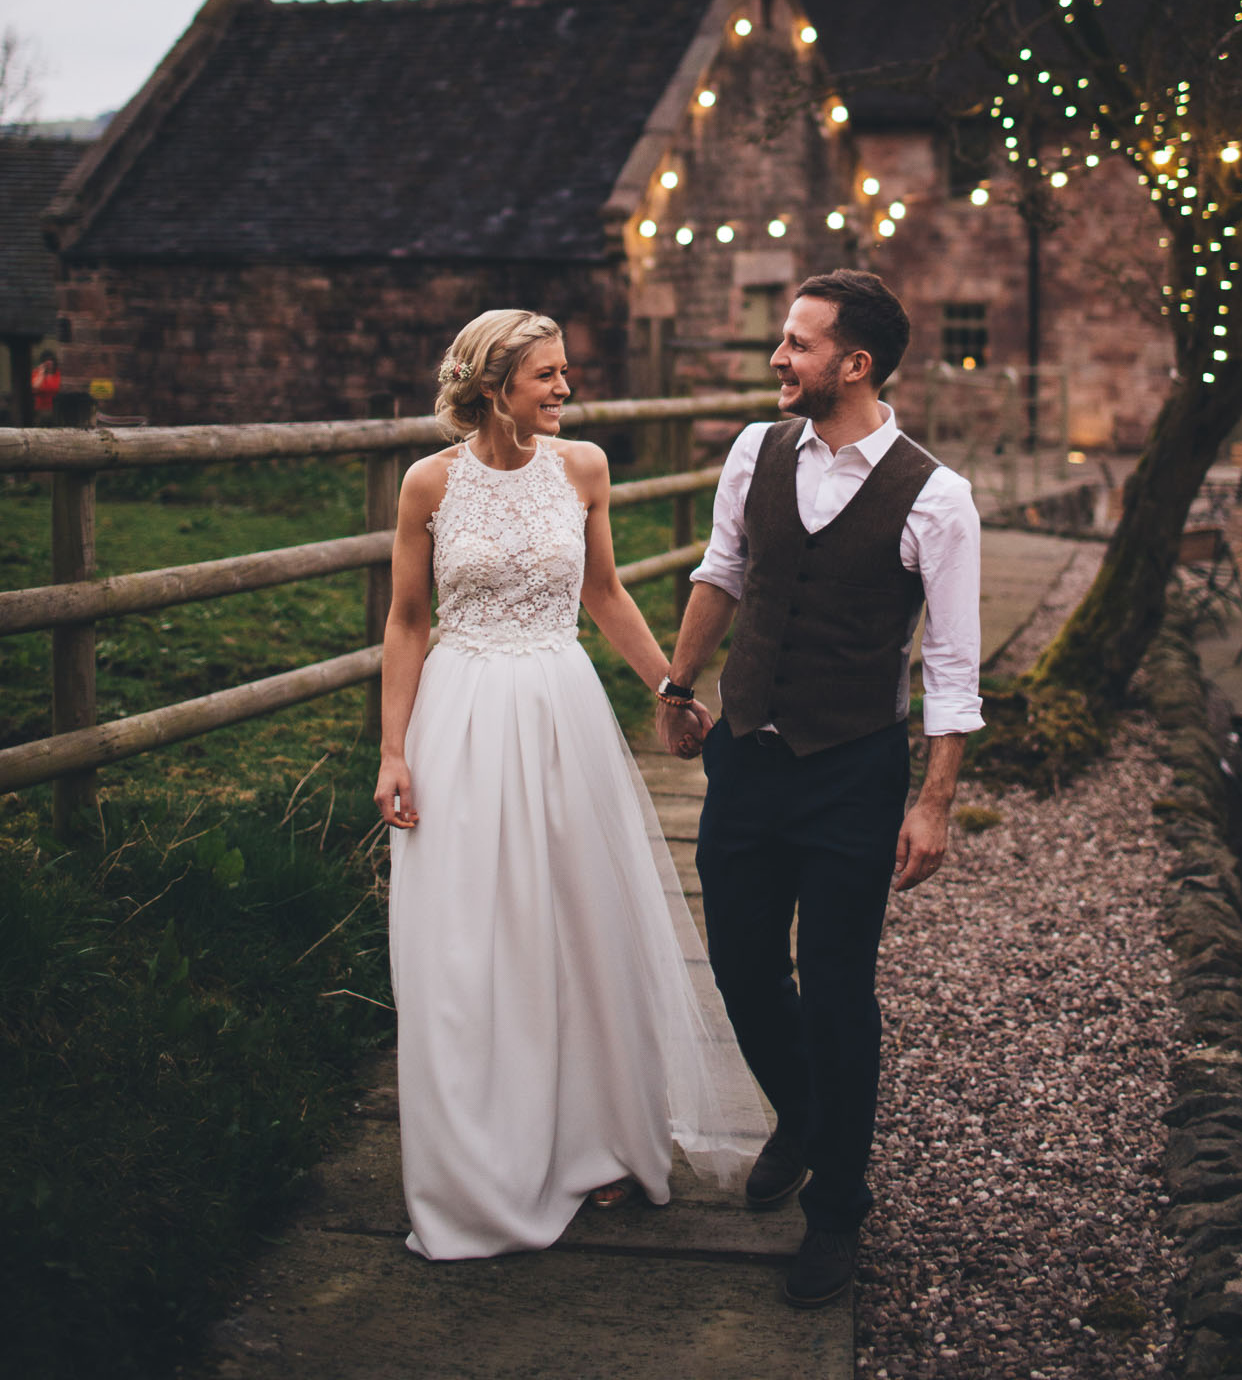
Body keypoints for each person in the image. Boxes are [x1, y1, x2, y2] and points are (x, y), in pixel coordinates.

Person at [375, 308, 760, 1261]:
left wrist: (669, 686)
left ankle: (599, 1141)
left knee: (584, 920)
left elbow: (604, 593)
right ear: (492, 383)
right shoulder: (429, 483)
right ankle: (480, 1163)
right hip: (461, 717)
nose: (564, 389)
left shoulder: (583, 469)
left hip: (560, 708)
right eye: (545, 375)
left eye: (564, 372)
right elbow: (407, 620)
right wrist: (392, 752)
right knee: (469, 937)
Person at [654, 269, 983, 1309]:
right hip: (747, 754)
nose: (776, 359)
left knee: (839, 991)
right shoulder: (757, 448)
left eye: (796, 344)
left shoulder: (937, 495)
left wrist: (932, 801)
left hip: (853, 770)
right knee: (745, 967)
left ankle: (838, 1204)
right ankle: (799, 1110)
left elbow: (955, 663)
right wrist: (677, 682)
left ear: (856, 364)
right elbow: (725, 569)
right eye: (781, 340)